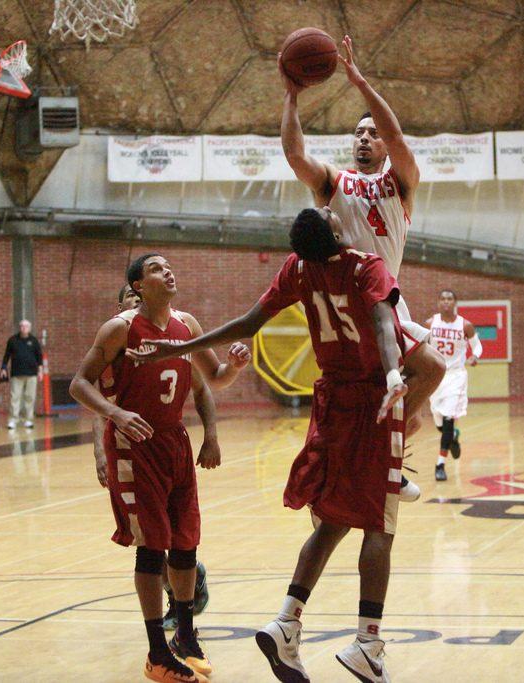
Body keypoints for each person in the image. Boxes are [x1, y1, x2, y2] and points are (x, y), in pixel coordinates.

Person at [127, 206, 412, 683]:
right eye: (330, 213)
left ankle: (286, 622)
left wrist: (178, 350)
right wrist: (391, 374)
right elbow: (385, 323)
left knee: (335, 522)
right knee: (380, 525)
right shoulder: (366, 265)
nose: (331, 208)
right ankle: (367, 642)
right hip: (369, 399)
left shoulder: (297, 269)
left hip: (330, 403)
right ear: (339, 234)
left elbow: (246, 323)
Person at [70, 254, 245, 683]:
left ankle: (185, 635)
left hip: (175, 442)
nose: (167, 271)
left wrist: (235, 368)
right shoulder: (120, 329)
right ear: (138, 285)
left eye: (169, 266)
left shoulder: (188, 324)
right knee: (151, 546)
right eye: (155, 268)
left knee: (186, 543)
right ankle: (155, 653)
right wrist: (115, 413)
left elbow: (215, 378)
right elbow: (79, 383)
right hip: (135, 445)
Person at [279, 34, 446, 451]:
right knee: (429, 370)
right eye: (358, 133)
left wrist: (360, 83)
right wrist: (291, 98)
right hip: (349, 295)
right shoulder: (335, 181)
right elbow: (296, 156)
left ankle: (380, 446)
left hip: (384, 294)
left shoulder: (401, 183)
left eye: (373, 133)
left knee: (418, 390)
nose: (364, 139)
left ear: (385, 144)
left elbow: (401, 141)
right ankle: (380, 445)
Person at [92, 283, 250, 631]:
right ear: (121, 306)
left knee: (173, 536)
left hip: (169, 443)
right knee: (149, 537)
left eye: (139, 300)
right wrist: (100, 452)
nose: (136, 307)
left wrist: (211, 436)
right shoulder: (117, 336)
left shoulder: (177, 333)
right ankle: (173, 619)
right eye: (130, 302)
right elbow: (95, 397)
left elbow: (205, 385)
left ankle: (182, 614)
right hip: (129, 447)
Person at [425, 290, 482, 481]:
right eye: (442, 298)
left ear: (455, 302)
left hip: (455, 376)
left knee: (449, 418)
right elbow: (421, 347)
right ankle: (453, 437)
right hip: (436, 376)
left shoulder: (465, 325)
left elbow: (478, 346)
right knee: (440, 423)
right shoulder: (430, 324)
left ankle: (440, 464)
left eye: (450, 299)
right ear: (438, 302)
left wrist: (475, 356)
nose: (446, 302)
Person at [0, 320, 44, 429]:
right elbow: (6, 355)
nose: (24, 328)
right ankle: (13, 419)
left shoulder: (34, 341)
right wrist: (3, 368)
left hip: (31, 374)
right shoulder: (12, 340)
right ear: (19, 327)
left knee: (30, 397)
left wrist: (40, 371)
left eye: (26, 326)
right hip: (17, 374)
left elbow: (39, 357)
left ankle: (29, 420)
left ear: (30, 328)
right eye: (22, 326)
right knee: (15, 397)